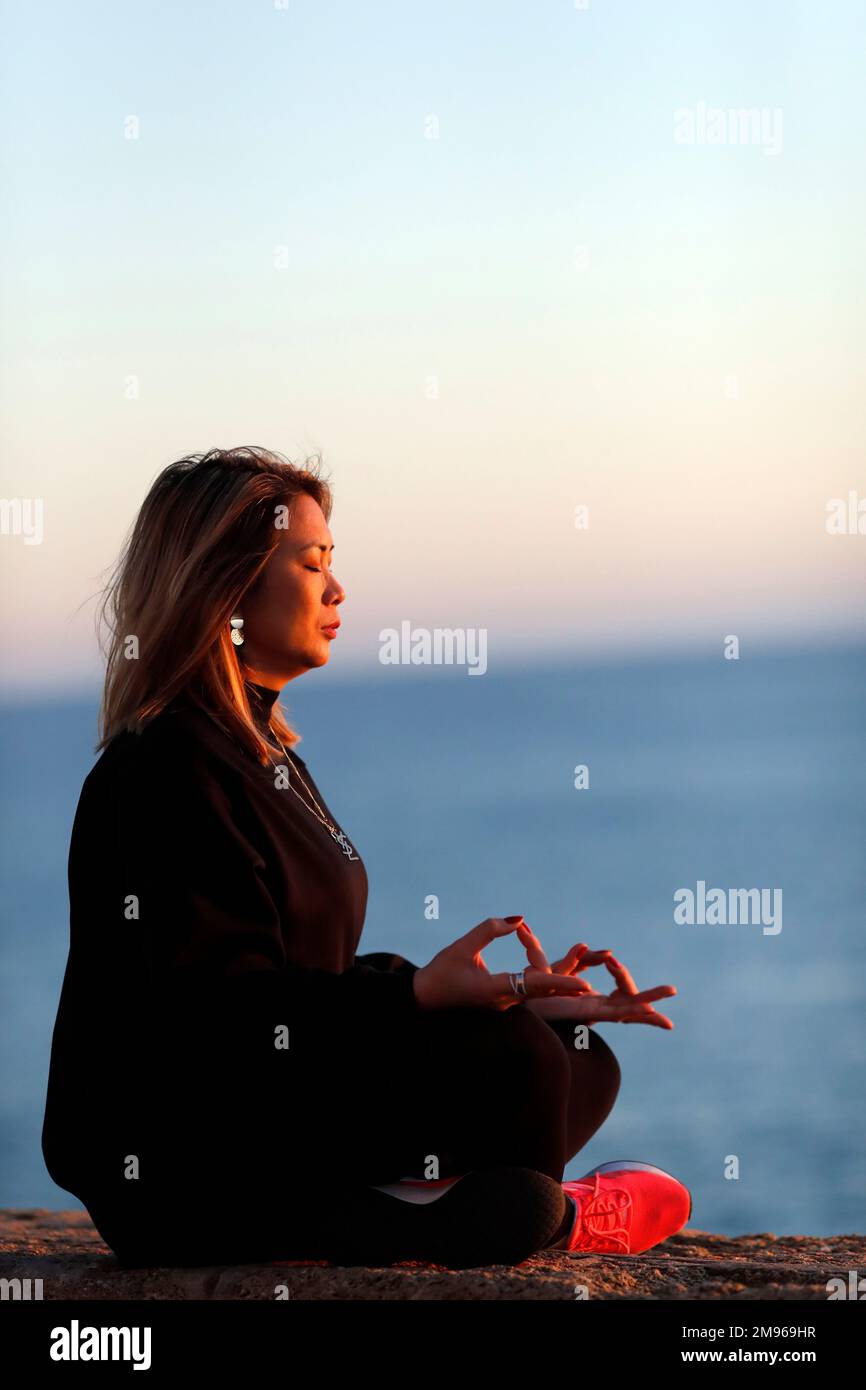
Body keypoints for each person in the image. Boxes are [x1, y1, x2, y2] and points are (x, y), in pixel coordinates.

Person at [41, 445, 691, 1270]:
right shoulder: (162, 772)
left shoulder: (266, 755)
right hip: (190, 1151)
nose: (338, 590)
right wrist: (419, 997)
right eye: (313, 564)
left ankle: (427, 1206)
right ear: (226, 585)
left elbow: (312, 977)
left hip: (284, 1094)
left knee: (575, 1056)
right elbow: (227, 1021)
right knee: (521, 1068)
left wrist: (495, 998)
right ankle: (540, 1214)